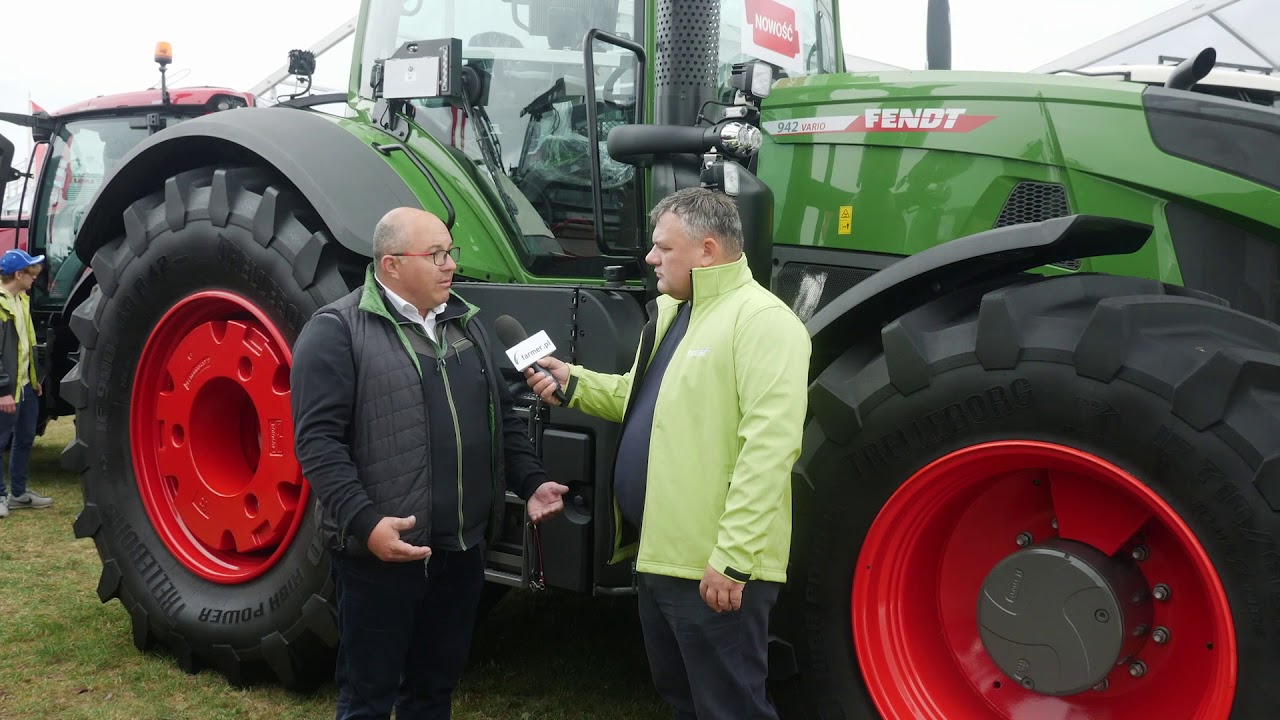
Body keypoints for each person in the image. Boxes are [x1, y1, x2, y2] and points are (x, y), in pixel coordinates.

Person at [524, 187, 811, 719]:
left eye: (663, 247)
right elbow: (644, 401)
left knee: (730, 709)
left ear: (707, 250)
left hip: (714, 569)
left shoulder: (763, 322)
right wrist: (574, 383)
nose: (651, 258)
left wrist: (733, 559)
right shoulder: (673, 314)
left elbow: (770, 449)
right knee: (684, 702)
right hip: (661, 559)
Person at [291, 207, 569, 720]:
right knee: (367, 698)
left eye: (450, 253)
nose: (450, 265)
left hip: (461, 553)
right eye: (436, 255)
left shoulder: (465, 323)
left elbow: (499, 417)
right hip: (384, 559)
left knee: (433, 693)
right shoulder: (336, 331)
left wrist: (531, 481)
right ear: (391, 265)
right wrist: (367, 524)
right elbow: (317, 444)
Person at [0, 248, 51, 519]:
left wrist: (34, 379)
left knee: (25, 438)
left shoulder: (21, 300)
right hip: (6, 389)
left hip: (25, 386)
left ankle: (18, 494)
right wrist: (2, 391)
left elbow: (27, 343)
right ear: (18, 274)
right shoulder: (1, 305)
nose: (35, 278)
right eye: (31, 273)